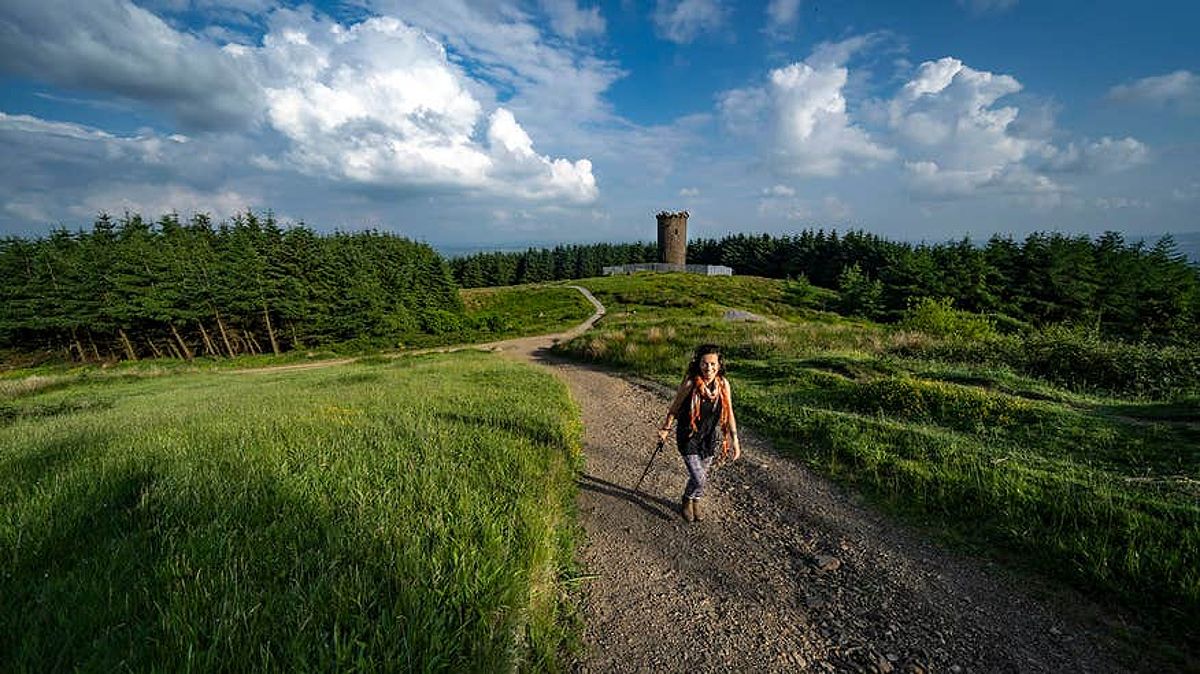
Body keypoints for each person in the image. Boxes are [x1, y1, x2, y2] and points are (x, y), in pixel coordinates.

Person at [657, 343, 741, 522]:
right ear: (698, 363)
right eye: (705, 363)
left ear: (719, 365)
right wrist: (665, 429)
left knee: (701, 475)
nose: (708, 368)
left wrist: (735, 440)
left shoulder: (723, 384)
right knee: (700, 478)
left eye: (713, 364)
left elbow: (730, 412)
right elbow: (674, 409)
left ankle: (695, 501)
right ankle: (687, 499)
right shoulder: (690, 384)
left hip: (709, 437)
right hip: (688, 435)